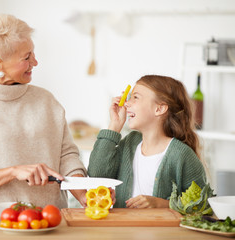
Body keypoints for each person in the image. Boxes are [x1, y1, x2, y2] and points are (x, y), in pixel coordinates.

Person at [0, 14, 87, 209]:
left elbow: (67, 156)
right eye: (26, 57)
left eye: (33, 53)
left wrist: (84, 194)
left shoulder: (46, 100)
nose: (35, 62)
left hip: (52, 218)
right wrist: (13, 172)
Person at [87, 75, 207, 209]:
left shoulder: (182, 155)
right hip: (123, 229)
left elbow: (201, 204)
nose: (126, 103)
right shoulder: (129, 143)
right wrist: (115, 125)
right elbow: (97, 174)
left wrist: (163, 204)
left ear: (159, 109)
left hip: (160, 230)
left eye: (135, 97)